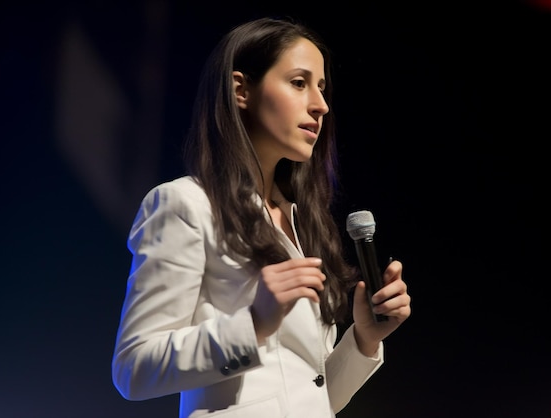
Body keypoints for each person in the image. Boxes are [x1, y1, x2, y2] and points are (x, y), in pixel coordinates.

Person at [111, 16, 411, 418]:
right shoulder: (186, 205)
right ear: (241, 90)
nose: (321, 105)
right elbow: (133, 369)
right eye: (299, 83)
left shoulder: (301, 223)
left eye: (321, 88)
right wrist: (251, 324)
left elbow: (309, 395)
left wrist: (363, 341)